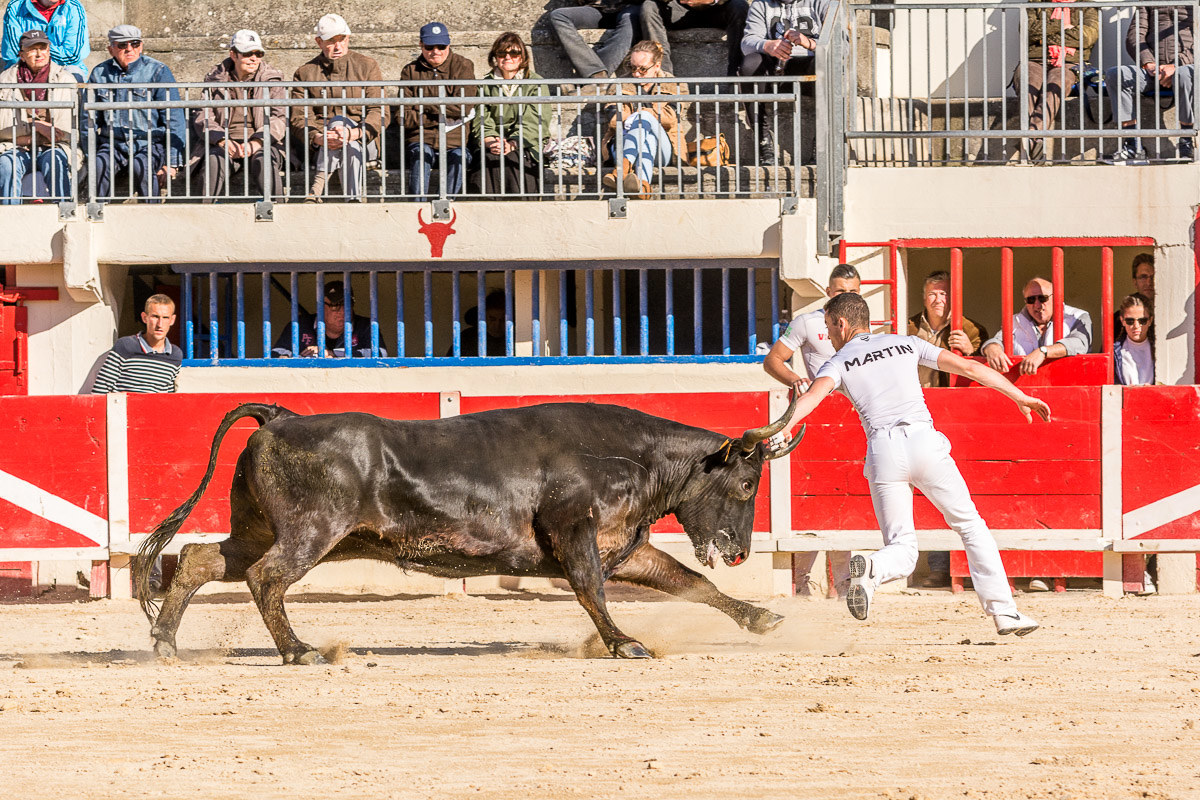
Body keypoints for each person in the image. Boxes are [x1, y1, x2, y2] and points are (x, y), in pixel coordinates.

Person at [771, 292, 1049, 636]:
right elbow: (969, 367)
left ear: (842, 324)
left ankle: (873, 566)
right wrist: (1019, 395)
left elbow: (810, 399)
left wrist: (782, 430)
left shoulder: (838, 362)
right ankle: (1004, 613)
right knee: (971, 526)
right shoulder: (905, 343)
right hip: (923, 442)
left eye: (828, 327)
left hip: (883, 450)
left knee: (902, 549)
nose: (829, 335)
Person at [762, 263, 859, 597]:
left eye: (852, 292)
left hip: (852, 418)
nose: (846, 296)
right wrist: (796, 379)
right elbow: (774, 359)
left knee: (845, 494)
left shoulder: (866, 327)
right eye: (840, 291)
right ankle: (802, 582)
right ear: (828, 293)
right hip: (816, 413)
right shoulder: (808, 322)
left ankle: (842, 584)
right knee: (809, 493)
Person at [291, 14, 388, 202]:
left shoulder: (367, 66)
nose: (338, 47)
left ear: (348, 38)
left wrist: (355, 133)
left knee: (343, 129)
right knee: (340, 132)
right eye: (330, 41)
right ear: (318, 42)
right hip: (322, 145)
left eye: (341, 40)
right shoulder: (305, 72)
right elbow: (299, 117)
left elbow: (379, 111)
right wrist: (318, 137)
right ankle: (353, 200)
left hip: (364, 140)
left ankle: (315, 190)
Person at [87, 26, 186, 200]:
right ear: (111, 49)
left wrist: (171, 163)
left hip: (149, 143)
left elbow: (174, 117)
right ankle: (97, 214)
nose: (129, 49)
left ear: (141, 46)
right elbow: (87, 120)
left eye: (134, 43)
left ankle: (151, 214)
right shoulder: (99, 74)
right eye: (122, 45)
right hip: (113, 143)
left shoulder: (158, 71)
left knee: (142, 164)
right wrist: (89, 154)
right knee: (100, 164)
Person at [191, 29, 287, 201]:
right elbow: (203, 116)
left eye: (258, 53)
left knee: (264, 160)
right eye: (248, 53)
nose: (254, 58)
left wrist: (257, 142)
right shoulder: (215, 79)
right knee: (214, 160)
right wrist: (222, 140)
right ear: (233, 55)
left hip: (263, 141)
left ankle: (278, 210)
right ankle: (202, 212)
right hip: (224, 142)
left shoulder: (272, 79)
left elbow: (279, 118)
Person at [740, 0, 832, 165]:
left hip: (810, 68)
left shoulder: (824, 3)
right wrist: (767, 45)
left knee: (826, 62)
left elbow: (842, 45)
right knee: (750, 64)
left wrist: (810, 44)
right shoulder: (761, 4)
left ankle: (822, 144)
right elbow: (747, 42)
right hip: (775, 68)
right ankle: (763, 141)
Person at [1105, 5, 1194, 162]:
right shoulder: (1148, 1)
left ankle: (1187, 142)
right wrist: (1149, 63)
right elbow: (1135, 36)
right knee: (1116, 74)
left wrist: (1176, 65)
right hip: (1154, 70)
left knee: (1184, 74)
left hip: (1186, 68)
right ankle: (1132, 145)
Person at [600, 40, 687, 199]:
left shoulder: (673, 84)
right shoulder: (619, 85)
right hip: (623, 144)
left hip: (664, 150)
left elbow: (670, 118)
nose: (636, 74)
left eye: (643, 69)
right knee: (648, 141)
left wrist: (637, 114)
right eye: (633, 68)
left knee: (644, 118)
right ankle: (642, 188)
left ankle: (621, 170)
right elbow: (613, 120)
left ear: (657, 66)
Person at [400, 22, 476, 200]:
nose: (436, 51)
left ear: (448, 45)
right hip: (420, 139)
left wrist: (424, 105)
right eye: (429, 46)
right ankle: (417, 208)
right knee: (421, 155)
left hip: (454, 142)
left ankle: (446, 206)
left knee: (460, 157)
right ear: (421, 45)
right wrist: (443, 112)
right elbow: (404, 116)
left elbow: (463, 107)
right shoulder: (410, 70)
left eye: (441, 46)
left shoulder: (463, 66)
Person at [0, 29, 77, 203]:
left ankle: (64, 215)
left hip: (53, 146)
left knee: (55, 161)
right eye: (32, 49)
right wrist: (36, 125)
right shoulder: (4, 80)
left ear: (49, 51)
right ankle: (8, 219)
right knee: (7, 164)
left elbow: (62, 132)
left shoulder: (65, 80)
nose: (39, 53)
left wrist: (27, 134)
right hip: (14, 146)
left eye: (43, 48)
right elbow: (2, 128)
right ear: (21, 54)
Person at [1017, 0, 1098, 162]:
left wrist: (1042, 38)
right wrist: (1062, 25)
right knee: (1028, 82)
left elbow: (1086, 36)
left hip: (1070, 62)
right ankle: (1036, 140)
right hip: (1035, 59)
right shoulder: (1035, 4)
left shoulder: (1088, 6)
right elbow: (1027, 32)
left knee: (1057, 84)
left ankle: (1031, 135)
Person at [468, 32, 546, 198]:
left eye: (514, 53)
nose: (508, 57)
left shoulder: (535, 82)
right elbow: (481, 118)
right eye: (502, 53)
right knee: (487, 158)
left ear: (522, 56)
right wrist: (490, 140)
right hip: (494, 141)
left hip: (525, 142)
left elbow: (534, 120)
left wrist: (512, 143)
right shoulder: (485, 85)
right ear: (495, 57)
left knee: (514, 158)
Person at [979, 276, 1093, 376]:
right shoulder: (1013, 321)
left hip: (1068, 384)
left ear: (1057, 297)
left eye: (1043, 298)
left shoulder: (1077, 317)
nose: (1037, 305)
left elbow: (1080, 343)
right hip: (1023, 389)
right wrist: (992, 348)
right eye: (1031, 299)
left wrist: (1043, 352)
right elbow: (998, 340)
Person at [907, 270, 987, 389]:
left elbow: (983, 373)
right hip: (914, 398)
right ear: (924, 300)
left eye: (943, 294)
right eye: (932, 294)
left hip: (949, 400)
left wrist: (970, 352)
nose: (938, 300)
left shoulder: (973, 331)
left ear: (954, 298)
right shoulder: (908, 327)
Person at [91, 294, 182, 394]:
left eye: (165, 318)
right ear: (144, 318)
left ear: (172, 320)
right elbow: (100, 391)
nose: (160, 324)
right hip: (122, 409)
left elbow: (168, 398)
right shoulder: (125, 346)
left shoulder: (175, 355)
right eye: (155, 317)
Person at [271, 281, 385, 358]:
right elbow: (276, 355)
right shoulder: (299, 326)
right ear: (320, 307)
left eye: (347, 304)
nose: (343, 311)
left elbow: (380, 355)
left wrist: (333, 354)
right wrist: (301, 358)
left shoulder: (367, 326)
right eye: (335, 305)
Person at [640, 0, 749, 77]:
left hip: (717, 10)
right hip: (678, 10)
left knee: (740, 5)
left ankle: (737, 75)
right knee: (649, 7)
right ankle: (663, 76)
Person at [548, 0, 640, 86]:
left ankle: (595, 83)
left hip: (630, 8)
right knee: (558, 15)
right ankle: (596, 73)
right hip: (599, 9)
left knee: (629, 21)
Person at [1, 0, 88, 80]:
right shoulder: (16, 7)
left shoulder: (73, 7)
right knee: (8, 77)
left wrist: (37, 51)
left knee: (73, 72)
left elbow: (73, 55)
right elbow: (13, 53)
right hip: (25, 67)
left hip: (63, 68)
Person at [446, 290, 507, 357]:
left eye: (503, 320)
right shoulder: (467, 337)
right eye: (492, 319)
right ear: (483, 316)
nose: (497, 325)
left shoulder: (516, 337)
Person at [1115, 293, 1154, 386]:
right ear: (1122, 321)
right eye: (1130, 321)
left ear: (1150, 321)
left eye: (1142, 321)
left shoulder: (1160, 350)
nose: (1136, 326)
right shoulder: (1114, 352)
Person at [1113, 253, 1154, 340]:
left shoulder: (1169, 312)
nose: (1149, 282)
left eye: (1153, 277)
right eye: (1143, 277)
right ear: (1135, 282)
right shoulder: (1119, 317)